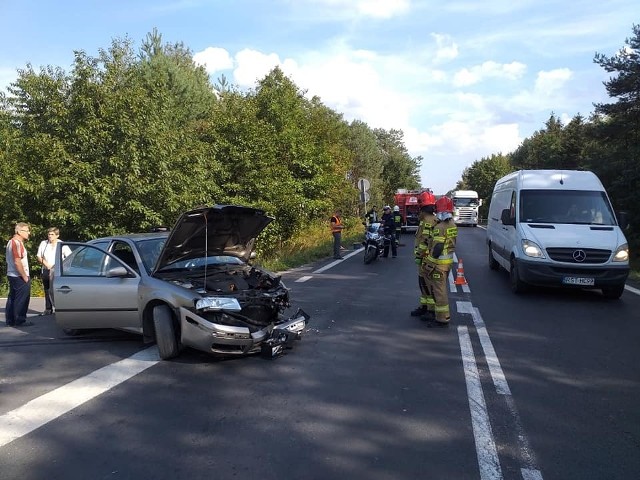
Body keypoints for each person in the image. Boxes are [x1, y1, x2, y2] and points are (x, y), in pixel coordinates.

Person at [421, 196, 458, 327]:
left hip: (439, 265)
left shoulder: (439, 228)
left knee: (439, 291)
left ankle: (442, 318)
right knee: (441, 289)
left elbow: (437, 247)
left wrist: (429, 264)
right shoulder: (452, 224)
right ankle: (441, 315)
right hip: (447, 263)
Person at [411, 200, 437, 318]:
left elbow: (425, 241)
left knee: (427, 284)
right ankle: (424, 306)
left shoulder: (427, 222)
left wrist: (419, 255)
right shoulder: (426, 221)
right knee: (423, 284)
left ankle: (430, 310)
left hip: (425, 258)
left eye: (419, 210)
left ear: (423, 210)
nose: (418, 213)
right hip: (425, 258)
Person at [36, 227, 72, 315]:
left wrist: (57, 265)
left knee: (56, 290)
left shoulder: (62, 244)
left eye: (52, 234)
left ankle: (59, 309)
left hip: (57, 270)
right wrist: (46, 264)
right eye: (49, 234)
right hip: (46, 269)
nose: (50, 236)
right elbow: (39, 256)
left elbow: (70, 257)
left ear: (57, 235)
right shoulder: (44, 243)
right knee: (47, 289)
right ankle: (48, 309)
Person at [5, 222, 32, 327]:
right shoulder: (16, 243)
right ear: (19, 231)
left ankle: (10, 320)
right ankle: (20, 320)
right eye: (27, 231)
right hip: (18, 275)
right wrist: (24, 276)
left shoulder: (11, 242)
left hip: (12, 274)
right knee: (21, 299)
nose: (28, 233)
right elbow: (17, 261)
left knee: (12, 297)